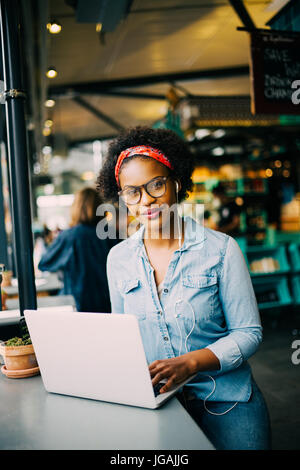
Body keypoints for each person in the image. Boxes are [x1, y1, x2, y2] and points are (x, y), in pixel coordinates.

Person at [96, 126, 271, 451]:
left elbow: (249, 333)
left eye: (156, 185)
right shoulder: (118, 259)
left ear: (176, 182)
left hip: (226, 400)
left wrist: (190, 363)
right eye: (132, 191)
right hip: (160, 403)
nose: (145, 200)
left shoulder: (221, 250)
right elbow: (123, 338)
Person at [38, 187, 111, 313]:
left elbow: (45, 263)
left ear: (76, 208)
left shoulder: (69, 236)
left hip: (77, 305)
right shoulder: (111, 235)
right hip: (108, 305)